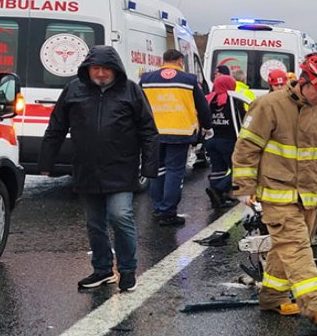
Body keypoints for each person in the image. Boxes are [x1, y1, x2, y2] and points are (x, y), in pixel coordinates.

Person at [232, 53, 317, 326]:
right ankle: (315, 304)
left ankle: (271, 297)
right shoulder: (269, 105)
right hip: (277, 195)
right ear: (303, 81)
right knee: (296, 247)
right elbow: (246, 149)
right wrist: (243, 187)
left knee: (286, 250)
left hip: (309, 196)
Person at [40, 45, 158, 291]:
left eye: (106, 68)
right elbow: (56, 127)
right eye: (96, 68)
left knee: (120, 216)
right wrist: (46, 162)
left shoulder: (131, 91)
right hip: (87, 169)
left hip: (121, 168)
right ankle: (102, 269)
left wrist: (149, 166)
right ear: (87, 69)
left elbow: (148, 131)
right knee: (94, 223)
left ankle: (127, 269)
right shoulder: (74, 90)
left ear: (116, 70)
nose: (101, 73)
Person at [140, 50, 211, 226]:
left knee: (158, 171)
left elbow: (139, 105)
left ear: (163, 61)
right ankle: (168, 212)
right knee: (174, 172)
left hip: (154, 132)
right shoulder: (189, 80)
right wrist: (207, 126)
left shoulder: (147, 79)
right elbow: (202, 106)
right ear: (180, 61)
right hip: (180, 132)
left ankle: (157, 208)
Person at [204, 73, 246, 208]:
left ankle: (217, 198)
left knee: (218, 170)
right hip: (228, 141)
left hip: (211, 140)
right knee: (239, 169)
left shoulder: (209, 100)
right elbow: (243, 120)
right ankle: (219, 190)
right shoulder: (234, 100)